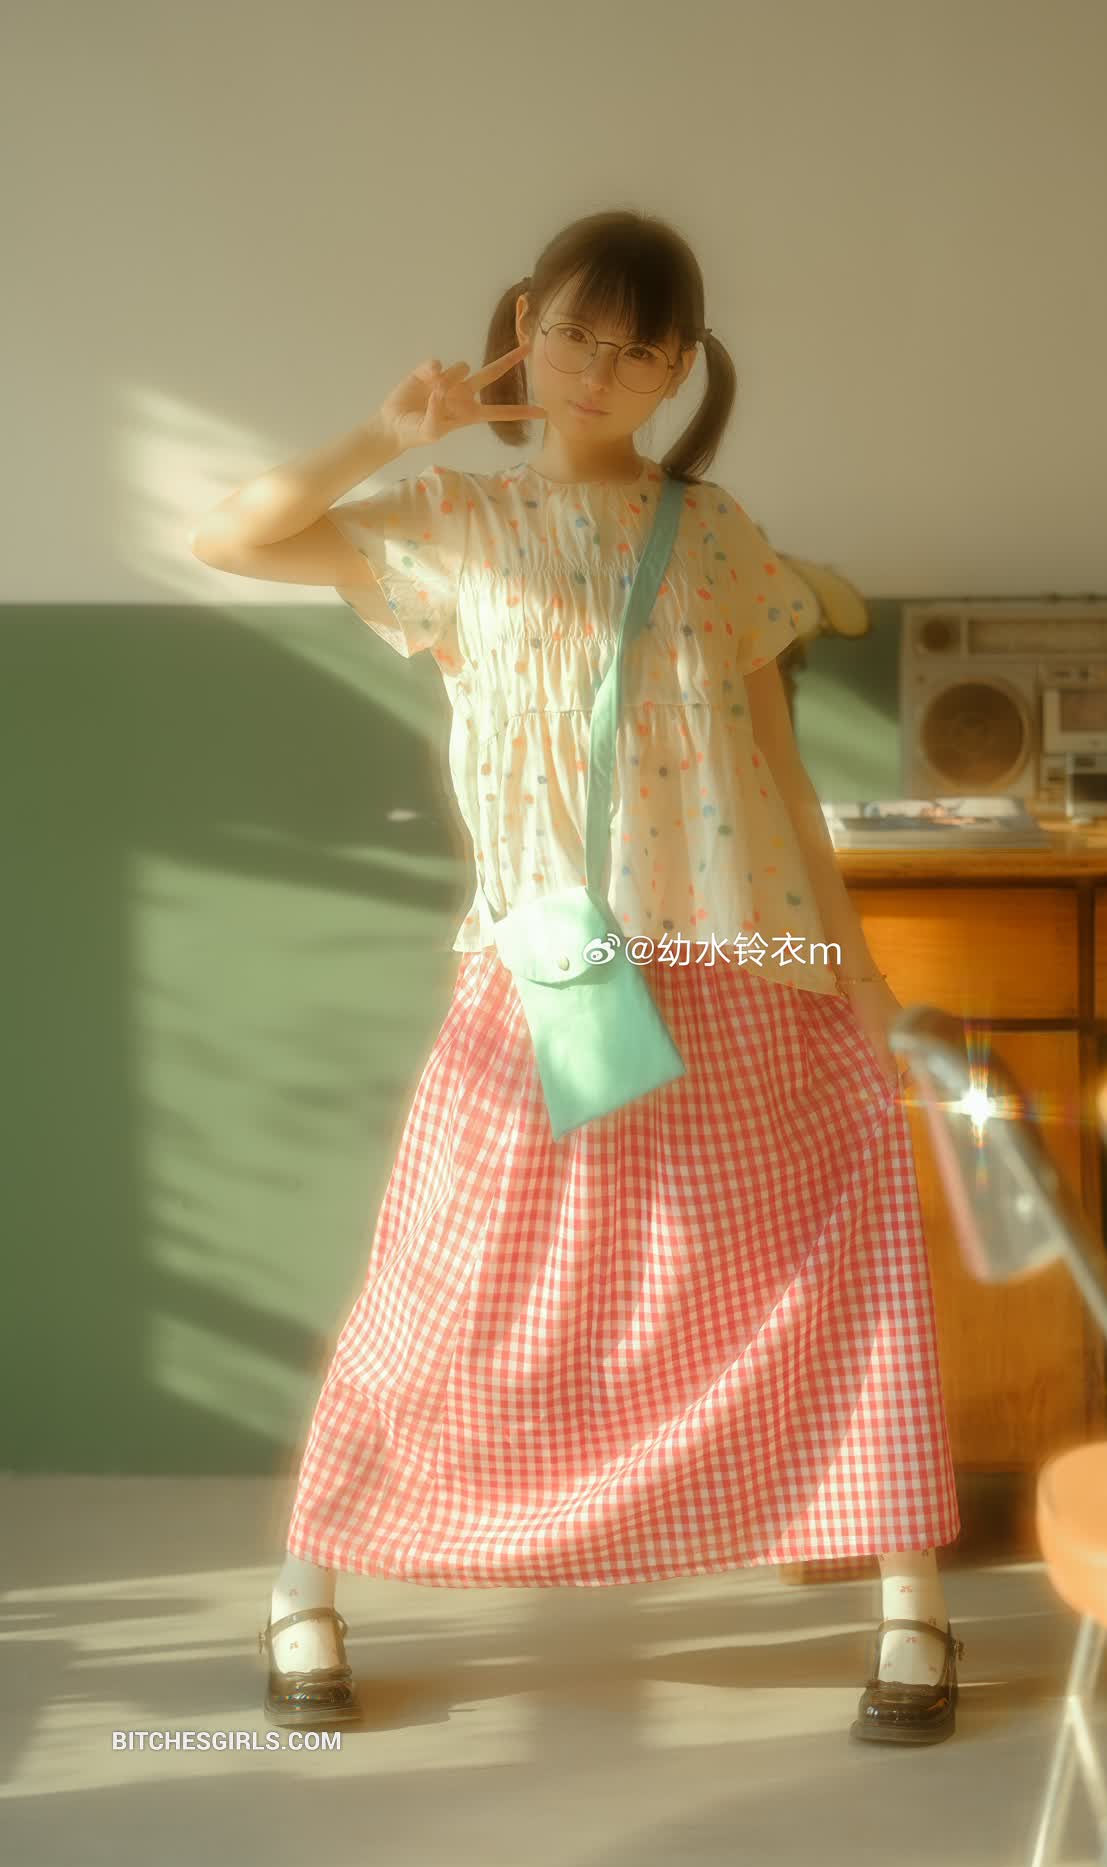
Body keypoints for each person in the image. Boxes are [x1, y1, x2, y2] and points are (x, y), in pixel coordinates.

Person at [207, 209, 962, 1745]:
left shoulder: (718, 533)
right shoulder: (451, 519)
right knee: (446, 1278)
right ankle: (305, 1589)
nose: (598, 370)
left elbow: (778, 771)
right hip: (549, 957)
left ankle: (910, 1609)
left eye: (638, 348)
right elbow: (237, 536)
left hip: (740, 943)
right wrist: (387, 432)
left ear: (681, 369)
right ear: (521, 327)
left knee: (832, 1255)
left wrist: (859, 973)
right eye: (573, 333)